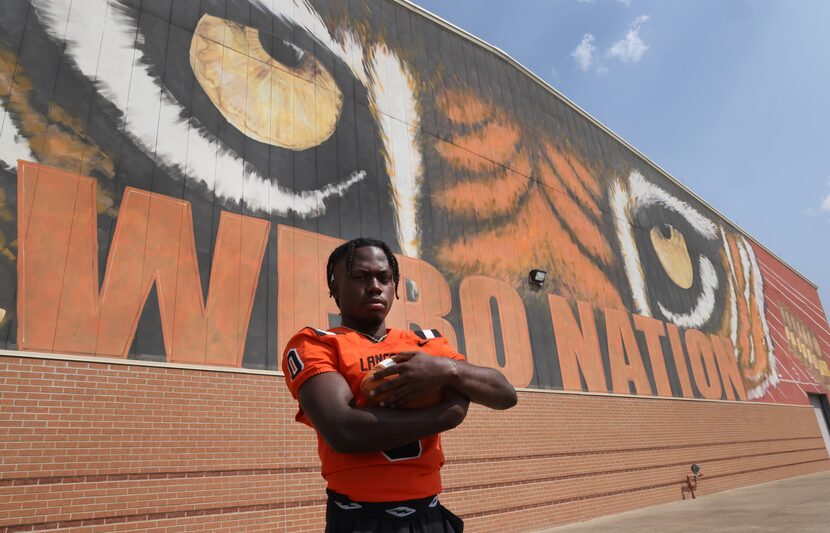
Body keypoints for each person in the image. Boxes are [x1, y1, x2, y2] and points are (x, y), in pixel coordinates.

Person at [282, 237, 518, 532]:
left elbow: (505, 394)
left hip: (429, 515)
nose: (374, 286)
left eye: (384, 277)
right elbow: (343, 431)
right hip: (359, 518)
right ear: (334, 288)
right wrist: (449, 414)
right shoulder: (316, 343)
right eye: (360, 277)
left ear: (394, 286)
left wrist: (446, 368)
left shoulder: (425, 343)